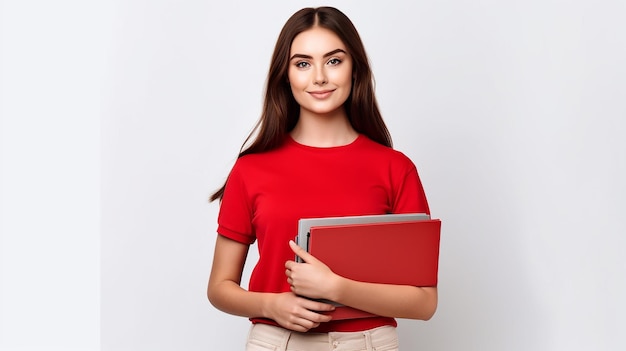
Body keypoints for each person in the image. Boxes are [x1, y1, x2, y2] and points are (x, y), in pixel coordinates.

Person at [207, 6, 436, 350]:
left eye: (333, 61)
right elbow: (219, 287)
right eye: (302, 63)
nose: (319, 77)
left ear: (355, 68)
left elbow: (424, 303)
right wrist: (271, 304)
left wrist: (336, 288)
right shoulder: (251, 169)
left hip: (368, 343)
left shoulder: (395, 169)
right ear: (285, 75)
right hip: (276, 341)